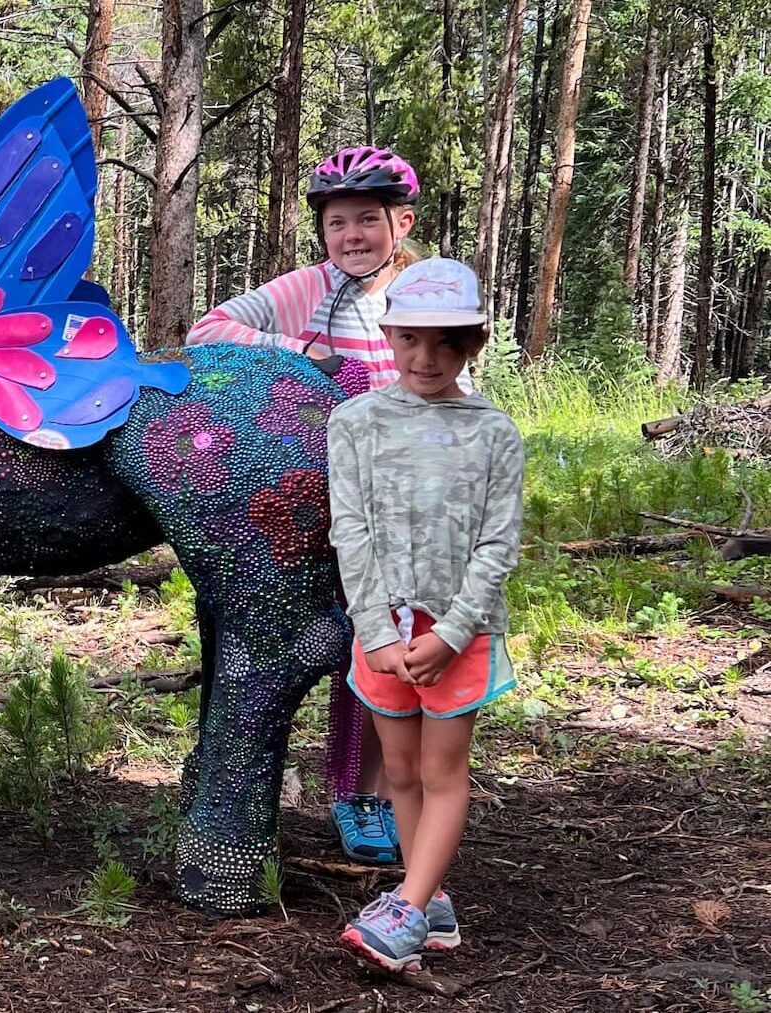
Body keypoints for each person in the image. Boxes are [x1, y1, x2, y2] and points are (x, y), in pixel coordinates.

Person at [187, 145, 431, 864]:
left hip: (415, 496)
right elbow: (211, 329)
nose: (351, 236)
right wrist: (310, 355)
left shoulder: (425, 289)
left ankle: (397, 791)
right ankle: (354, 792)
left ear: (402, 221)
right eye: (336, 224)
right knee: (356, 639)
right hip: (334, 500)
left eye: (367, 221)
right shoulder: (311, 287)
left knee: (408, 642)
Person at [328, 258, 522, 970]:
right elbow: (348, 528)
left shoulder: (493, 432)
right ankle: (429, 897)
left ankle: (407, 908)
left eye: (446, 342)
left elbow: (498, 543)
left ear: (474, 342)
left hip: (455, 633)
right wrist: (375, 630)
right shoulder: (354, 422)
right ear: (389, 335)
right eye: (411, 338)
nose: (426, 357)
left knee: (442, 769)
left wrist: (452, 630)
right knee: (400, 769)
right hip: (383, 633)